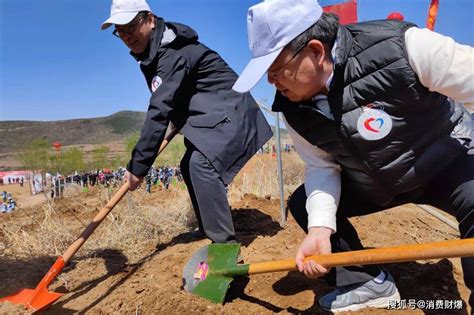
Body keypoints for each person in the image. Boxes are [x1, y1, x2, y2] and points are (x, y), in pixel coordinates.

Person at [234, 0, 473, 312]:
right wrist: (321, 229)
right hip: (378, 182)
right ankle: (366, 282)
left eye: (276, 71)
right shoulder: (293, 109)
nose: (272, 83)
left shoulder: (403, 48)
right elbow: (321, 166)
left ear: (316, 52)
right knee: (305, 203)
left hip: (447, 164)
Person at [101, 0, 272, 244]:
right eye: (121, 31)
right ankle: (208, 228)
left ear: (149, 19)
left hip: (232, 115)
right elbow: (175, 98)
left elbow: (159, 108)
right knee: (188, 164)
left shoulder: (171, 52)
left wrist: (139, 166)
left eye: (131, 26)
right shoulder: (156, 50)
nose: (127, 36)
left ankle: (224, 244)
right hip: (212, 118)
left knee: (201, 165)